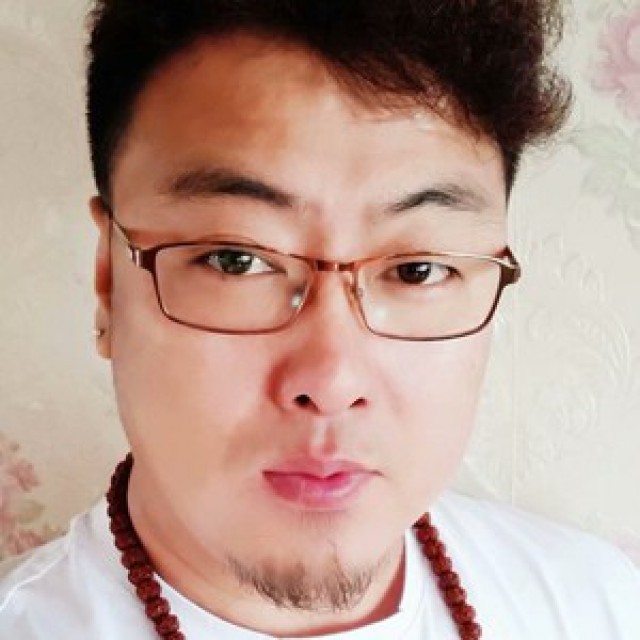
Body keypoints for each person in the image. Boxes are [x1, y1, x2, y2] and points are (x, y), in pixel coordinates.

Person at [1, 1, 639, 638]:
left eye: (417, 270)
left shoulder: (596, 604)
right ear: (108, 283)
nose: (332, 382)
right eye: (236, 260)